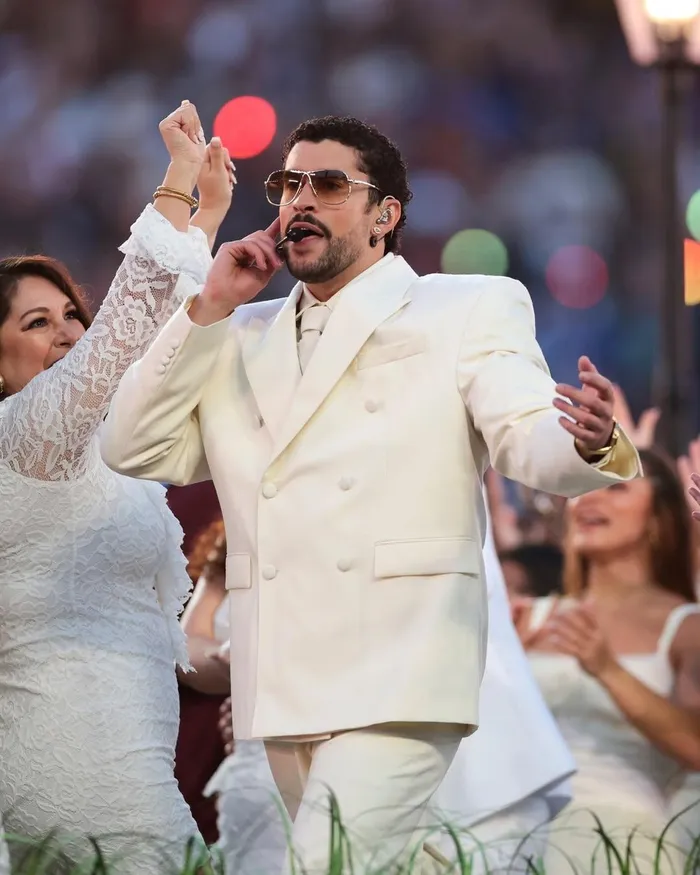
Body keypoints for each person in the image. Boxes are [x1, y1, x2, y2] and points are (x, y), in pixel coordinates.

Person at [101, 115, 641, 872]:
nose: (299, 200)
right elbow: (131, 447)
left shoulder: (465, 307)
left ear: (385, 214)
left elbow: (525, 432)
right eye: (287, 184)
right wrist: (207, 308)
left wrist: (587, 441)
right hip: (282, 668)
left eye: (327, 184)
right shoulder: (239, 329)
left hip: (401, 663)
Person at [0, 100, 233, 872]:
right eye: (37, 323)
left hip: (113, 758)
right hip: (82, 762)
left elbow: (151, 342)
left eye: (71, 313)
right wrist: (176, 180)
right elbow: (125, 330)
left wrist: (207, 219)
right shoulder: (22, 437)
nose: (69, 331)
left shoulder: (89, 455)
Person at [516, 448, 700, 874]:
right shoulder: (528, 617)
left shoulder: (686, 626)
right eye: (581, 487)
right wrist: (498, 673)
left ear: (659, 517)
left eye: (615, 488)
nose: (589, 499)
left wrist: (608, 670)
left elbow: (695, 746)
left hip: (618, 840)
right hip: (514, 831)